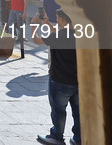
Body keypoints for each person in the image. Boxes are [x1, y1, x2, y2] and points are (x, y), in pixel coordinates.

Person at [32, 9, 80, 145]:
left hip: (59, 81)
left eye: (58, 18)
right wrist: (47, 24)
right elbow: (57, 36)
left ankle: (56, 137)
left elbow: (36, 39)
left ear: (63, 19)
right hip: (77, 81)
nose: (57, 21)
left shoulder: (59, 36)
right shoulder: (80, 34)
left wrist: (33, 24)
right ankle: (79, 138)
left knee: (58, 110)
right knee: (78, 112)